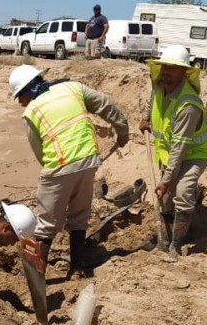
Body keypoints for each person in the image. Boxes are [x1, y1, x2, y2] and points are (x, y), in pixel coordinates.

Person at [9, 64, 130, 280]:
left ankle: (36, 277)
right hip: (88, 160)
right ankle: (76, 269)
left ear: (28, 90)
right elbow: (105, 103)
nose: (20, 102)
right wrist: (121, 129)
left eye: (20, 96)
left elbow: (39, 152)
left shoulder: (31, 112)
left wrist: (54, 174)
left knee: (46, 225)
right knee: (79, 216)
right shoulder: (74, 88)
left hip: (58, 166)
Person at [138, 45, 207, 261]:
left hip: (194, 151)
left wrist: (166, 180)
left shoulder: (188, 105)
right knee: (166, 199)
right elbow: (151, 101)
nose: (166, 72)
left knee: (181, 191)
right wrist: (145, 117)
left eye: (173, 68)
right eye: (164, 67)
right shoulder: (159, 87)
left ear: (184, 72)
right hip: (168, 151)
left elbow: (181, 149)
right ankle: (164, 236)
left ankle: (175, 244)